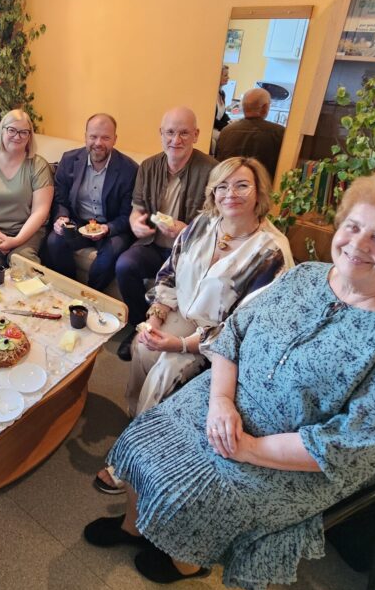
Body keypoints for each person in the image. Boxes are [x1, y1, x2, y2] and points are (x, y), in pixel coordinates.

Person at [83, 172, 375, 590]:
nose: (358, 244)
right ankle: (133, 527)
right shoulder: (305, 276)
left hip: (291, 454)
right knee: (141, 438)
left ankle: (185, 562)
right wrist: (221, 400)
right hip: (226, 396)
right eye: (353, 226)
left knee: (200, 494)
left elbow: (354, 445)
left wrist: (250, 449)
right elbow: (233, 333)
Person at [93, 157, 293, 494]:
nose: (230, 193)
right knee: (142, 345)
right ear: (213, 192)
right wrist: (155, 316)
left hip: (220, 344)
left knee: (167, 369)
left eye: (242, 185)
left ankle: (131, 463)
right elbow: (170, 272)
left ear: (259, 192)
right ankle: (139, 424)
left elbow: (244, 328)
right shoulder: (202, 224)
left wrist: (180, 345)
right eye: (222, 186)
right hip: (183, 312)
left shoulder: (271, 252)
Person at [114, 107, 217, 359]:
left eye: (184, 133)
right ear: (161, 133)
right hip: (152, 244)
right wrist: (135, 223)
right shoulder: (148, 166)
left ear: (196, 135)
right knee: (125, 265)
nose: (176, 140)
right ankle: (138, 325)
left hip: (189, 253)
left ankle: (171, 334)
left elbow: (218, 224)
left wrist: (186, 230)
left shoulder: (212, 171)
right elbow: (137, 209)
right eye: (170, 132)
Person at [42, 113, 139, 292]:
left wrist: (108, 228)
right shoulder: (69, 160)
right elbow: (60, 199)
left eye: (105, 138)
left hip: (112, 227)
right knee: (54, 241)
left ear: (115, 139)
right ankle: (70, 292)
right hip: (78, 222)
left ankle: (90, 297)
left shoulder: (130, 170)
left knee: (109, 257)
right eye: (93, 136)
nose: (98, 143)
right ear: (85, 136)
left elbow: (128, 214)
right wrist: (62, 217)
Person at [0, 109, 53, 282]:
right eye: (12, 130)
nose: (17, 136)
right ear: (2, 131)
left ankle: (30, 298)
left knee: (23, 260)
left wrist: (16, 240)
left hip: (27, 232)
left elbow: (40, 211)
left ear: (29, 136)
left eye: (23, 132)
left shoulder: (38, 166)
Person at [215, 87, 286, 181]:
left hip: (230, 182)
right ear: (265, 107)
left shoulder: (226, 131)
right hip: (264, 184)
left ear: (243, 107)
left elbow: (219, 163)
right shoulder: (279, 133)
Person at [210, 64, 231, 154]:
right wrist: (225, 127)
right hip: (211, 128)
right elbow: (212, 119)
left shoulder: (222, 94)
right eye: (225, 75)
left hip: (217, 128)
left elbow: (223, 114)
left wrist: (230, 122)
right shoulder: (211, 94)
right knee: (229, 137)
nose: (228, 77)